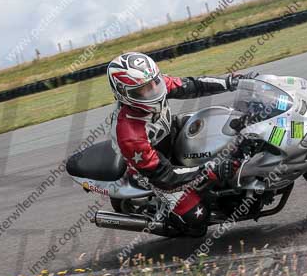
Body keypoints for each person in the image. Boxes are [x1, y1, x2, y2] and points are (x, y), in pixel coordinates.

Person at [107, 52, 255, 236]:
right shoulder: (129, 133)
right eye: (143, 89)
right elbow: (164, 175)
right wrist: (210, 170)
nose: (153, 90)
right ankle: (172, 219)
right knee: (197, 220)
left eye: (155, 82)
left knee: (224, 125)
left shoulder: (154, 85)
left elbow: (191, 85)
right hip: (152, 166)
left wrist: (229, 82)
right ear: (123, 93)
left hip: (170, 130)